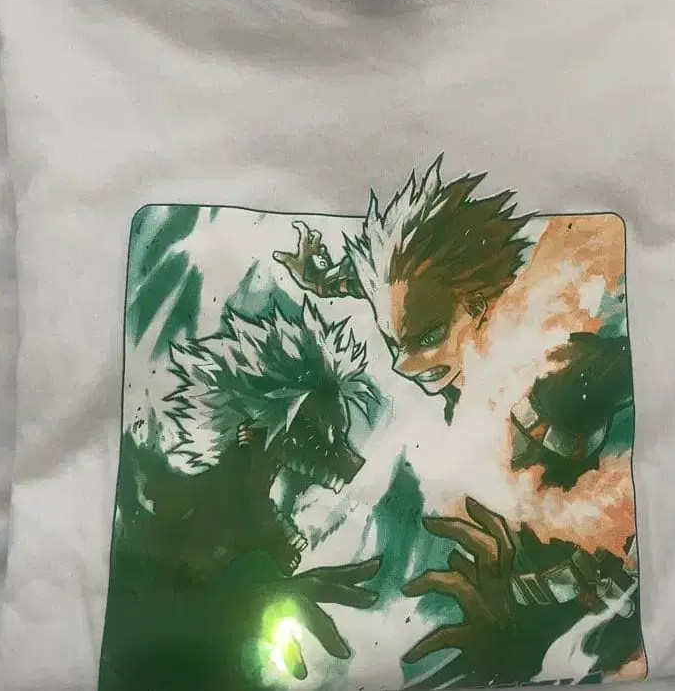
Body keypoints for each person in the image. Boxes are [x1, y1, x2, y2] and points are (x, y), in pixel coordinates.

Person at [273, 157, 647, 684]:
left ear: (480, 305)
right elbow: (396, 292)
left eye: (426, 339)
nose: (405, 366)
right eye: (395, 346)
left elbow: (620, 363)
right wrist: (326, 281)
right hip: (516, 619)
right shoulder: (463, 355)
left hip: (586, 623)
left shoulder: (550, 373)